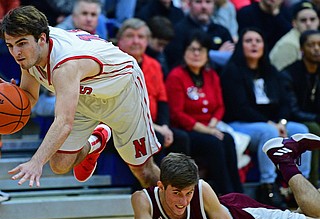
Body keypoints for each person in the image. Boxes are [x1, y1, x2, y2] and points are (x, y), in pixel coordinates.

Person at [0, 5, 161, 188]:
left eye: (21, 44)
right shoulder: (29, 51)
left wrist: (36, 161)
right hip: (82, 93)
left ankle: (174, 212)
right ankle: (96, 141)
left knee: (144, 171)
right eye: (10, 46)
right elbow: (29, 98)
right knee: (60, 164)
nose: (16, 52)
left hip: (122, 92)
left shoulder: (65, 65)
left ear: (42, 39)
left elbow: (63, 123)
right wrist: (10, 96)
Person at [131, 133, 320, 219]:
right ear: (161, 187)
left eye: (189, 193)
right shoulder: (142, 199)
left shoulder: (202, 189)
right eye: (177, 193)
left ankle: (283, 159)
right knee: (312, 214)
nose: (183, 201)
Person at [220, 27, 311, 207]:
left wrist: (282, 123)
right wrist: (271, 124)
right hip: (240, 124)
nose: (254, 44)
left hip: (271, 124)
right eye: (248, 41)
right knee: (269, 132)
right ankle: (267, 186)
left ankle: (301, 185)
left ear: (264, 45)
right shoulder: (232, 71)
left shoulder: (271, 71)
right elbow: (240, 108)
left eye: (258, 40)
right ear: (241, 46)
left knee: (302, 131)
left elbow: (285, 103)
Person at [165, 31, 244, 195]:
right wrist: (207, 130)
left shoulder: (211, 75)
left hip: (210, 127)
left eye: (200, 50)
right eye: (191, 49)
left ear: (207, 54)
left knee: (227, 140)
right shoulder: (176, 76)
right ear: (184, 52)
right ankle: (225, 194)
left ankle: (239, 193)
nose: (196, 54)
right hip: (188, 130)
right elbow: (176, 113)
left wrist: (213, 125)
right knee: (213, 142)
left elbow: (220, 106)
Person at [116, 18, 190, 165]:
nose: (136, 41)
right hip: (121, 127)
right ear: (120, 40)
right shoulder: (112, 63)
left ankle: (179, 184)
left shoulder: (154, 65)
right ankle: (150, 186)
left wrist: (164, 126)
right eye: (130, 36)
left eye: (141, 37)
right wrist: (155, 128)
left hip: (152, 126)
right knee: (155, 138)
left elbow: (162, 100)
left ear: (147, 41)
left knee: (181, 138)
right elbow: (122, 108)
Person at [281, 29, 320, 187]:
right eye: (311, 45)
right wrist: (315, 118)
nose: (316, 48)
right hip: (293, 120)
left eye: (319, 45)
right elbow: (291, 109)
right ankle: (312, 183)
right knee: (314, 130)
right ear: (301, 50)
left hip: (314, 118)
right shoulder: (289, 73)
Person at [164, 0, 235, 71]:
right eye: (198, 2)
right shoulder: (178, 31)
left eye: (208, 2)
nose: (204, 7)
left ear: (214, 5)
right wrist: (218, 56)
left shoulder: (222, 31)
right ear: (189, 4)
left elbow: (233, 61)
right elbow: (178, 62)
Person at [270, 1, 319, 71]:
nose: (308, 24)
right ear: (294, 23)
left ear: (319, 21)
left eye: (312, 19)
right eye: (303, 20)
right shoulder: (288, 45)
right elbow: (282, 77)